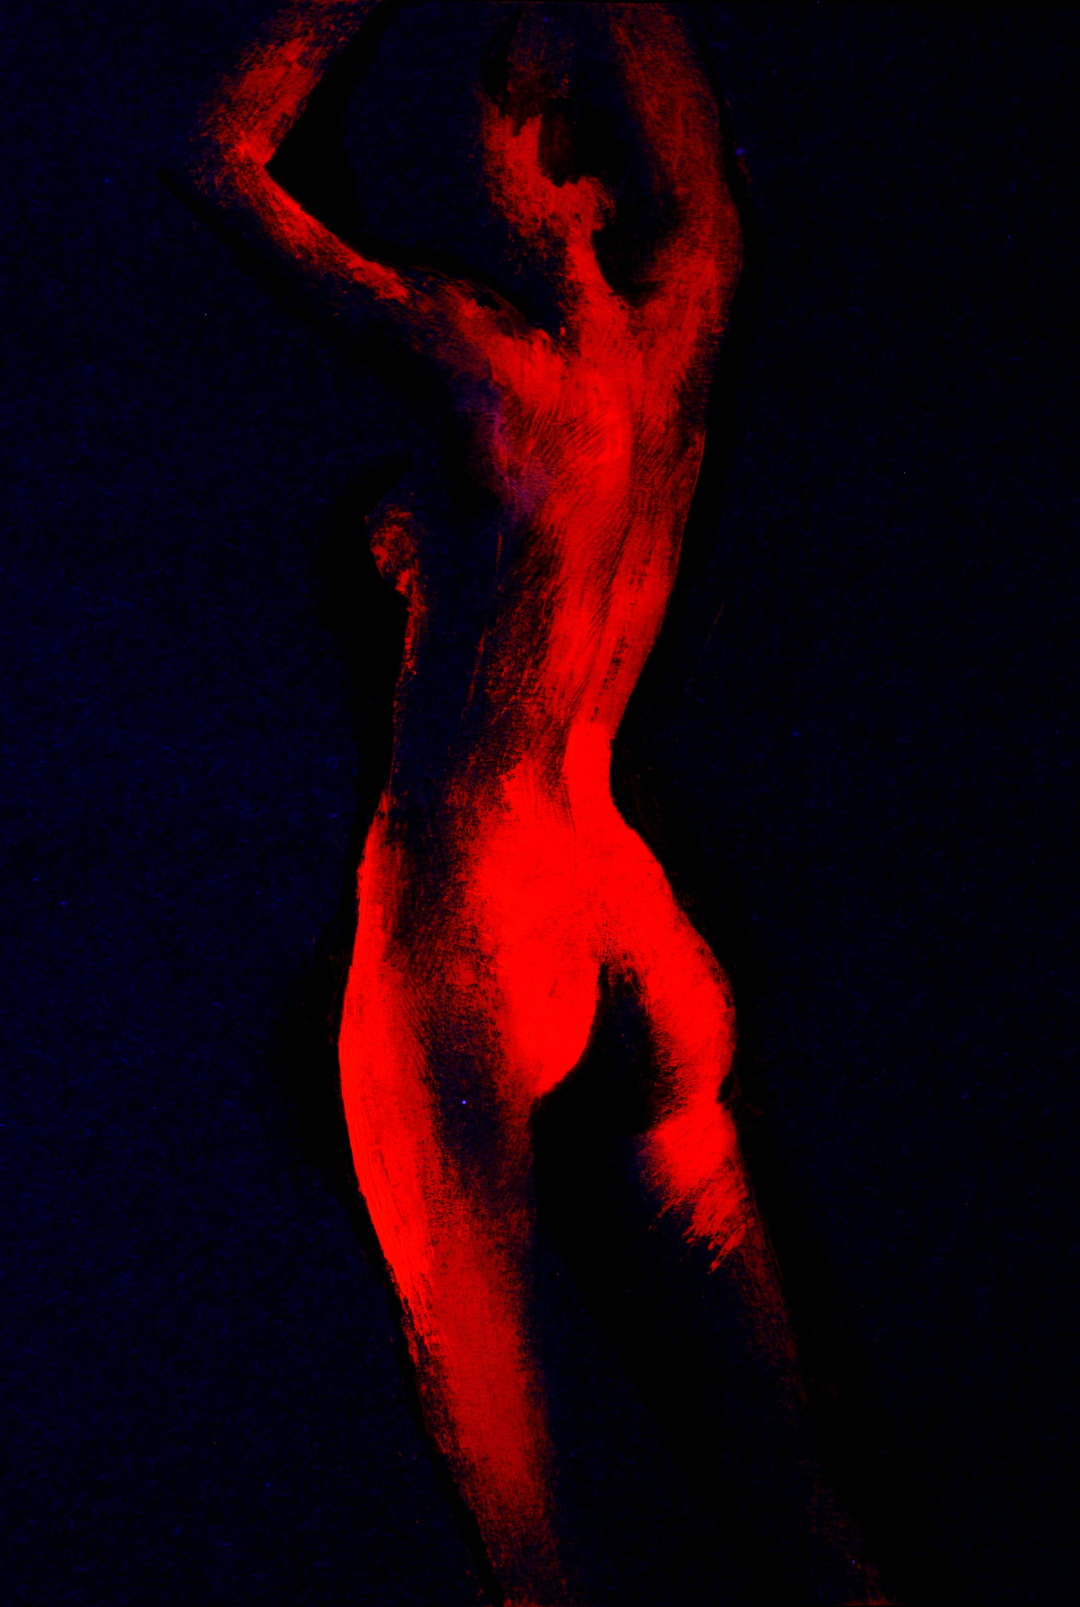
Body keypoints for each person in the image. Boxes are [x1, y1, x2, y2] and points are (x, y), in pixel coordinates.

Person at [186, 4, 888, 1601]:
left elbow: (211, 158)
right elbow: (688, 163)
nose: (459, 149)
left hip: (475, 913)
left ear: (545, 152)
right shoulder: (687, 314)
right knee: (797, 1496)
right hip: (626, 905)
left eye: (494, 111)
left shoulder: (485, 362)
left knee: (529, 1551)